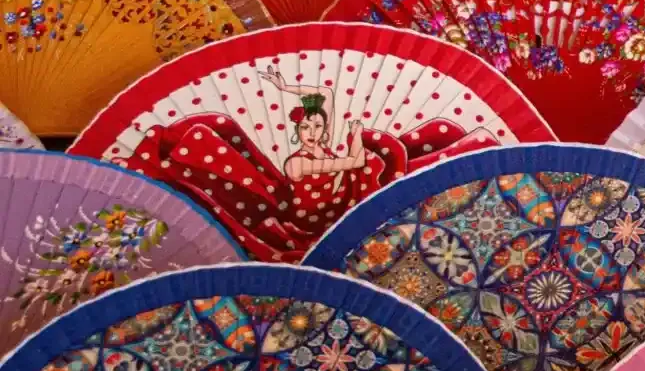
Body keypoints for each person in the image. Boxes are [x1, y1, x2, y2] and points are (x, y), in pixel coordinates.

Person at [121, 64, 493, 260]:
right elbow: (348, 164)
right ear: (300, 133)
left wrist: (286, 88)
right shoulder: (298, 163)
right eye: (310, 127)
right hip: (303, 230)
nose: (316, 130)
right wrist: (355, 146)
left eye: (319, 124)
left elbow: (327, 95)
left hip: (345, 208)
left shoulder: (323, 146)